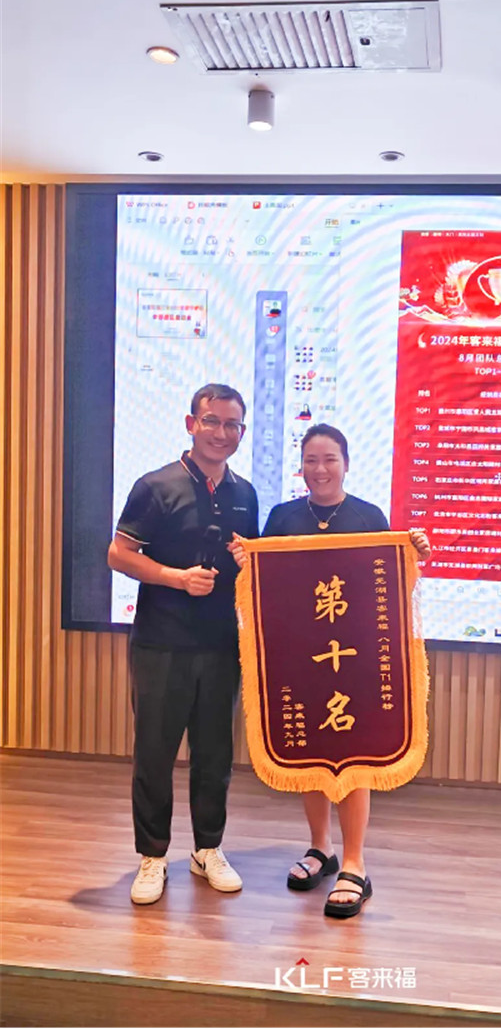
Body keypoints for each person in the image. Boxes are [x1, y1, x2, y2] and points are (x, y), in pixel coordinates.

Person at [230, 423, 429, 918]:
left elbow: (387, 586)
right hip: (301, 659)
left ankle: (355, 862)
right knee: (312, 754)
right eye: (311, 460)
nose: (320, 469)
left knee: (353, 758)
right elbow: (267, 587)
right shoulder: (282, 517)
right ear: (301, 466)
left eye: (329, 459)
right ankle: (321, 848)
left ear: (346, 464)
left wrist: (413, 554)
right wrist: (246, 561)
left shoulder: (368, 516)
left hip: (355, 661)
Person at [108, 383, 259, 905]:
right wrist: (175, 578)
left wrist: (248, 561)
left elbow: (249, 563)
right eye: (212, 421)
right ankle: (152, 856)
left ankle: (207, 849)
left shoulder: (245, 493)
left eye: (232, 424)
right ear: (191, 424)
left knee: (215, 754)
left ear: (241, 432)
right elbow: (118, 554)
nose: (221, 432)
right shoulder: (156, 486)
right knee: (154, 753)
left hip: (221, 645)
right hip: (161, 643)